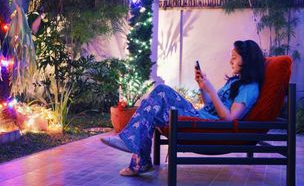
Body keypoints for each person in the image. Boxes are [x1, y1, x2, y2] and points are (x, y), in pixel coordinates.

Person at [101, 40, 265, 176]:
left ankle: (136, 152)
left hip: (205, 122)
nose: (231, 61)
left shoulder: (250, 88)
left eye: (234, 58)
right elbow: (211, 106)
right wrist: (202, 86)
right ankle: (139, 158)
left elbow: (230, 118)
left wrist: (212, 90)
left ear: (248, 61)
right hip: (201, 115)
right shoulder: (235, 82)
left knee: (162, 92)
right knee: (156, 104)